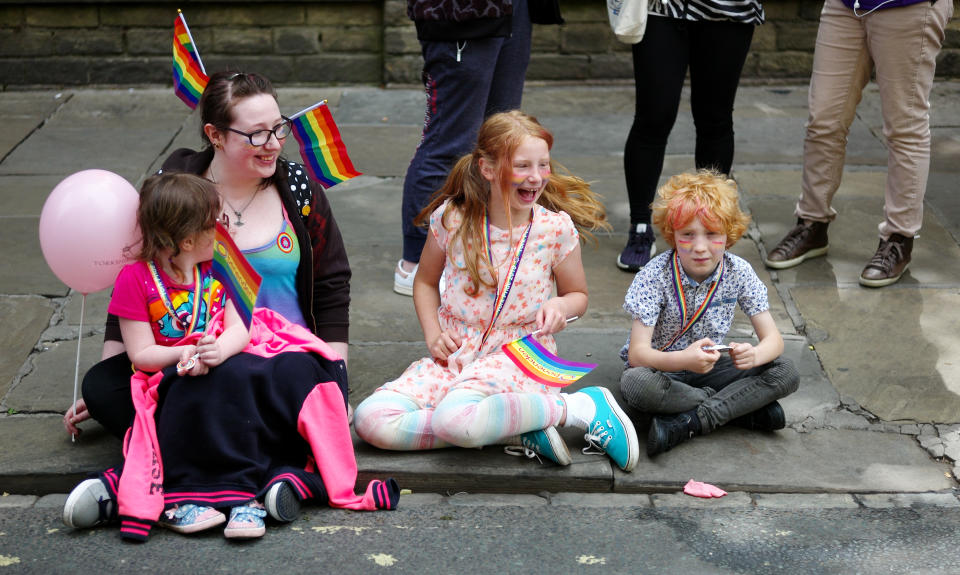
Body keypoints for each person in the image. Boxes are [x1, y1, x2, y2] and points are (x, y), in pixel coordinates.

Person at [62, 172, 397, 541]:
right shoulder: (136, 279)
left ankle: (226, 492)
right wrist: (187, 352)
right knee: (189, 390)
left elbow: (241, 326)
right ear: (188, 240)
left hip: (227, 357)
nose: (226, 228)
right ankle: (227, 494)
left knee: (270, 374)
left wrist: (219, 349)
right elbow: (141, 354)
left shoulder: (222, 262)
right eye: (216, 223)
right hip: (170, 369)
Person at [64, 70, 352, 439]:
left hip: (280, 356)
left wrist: (336, 382)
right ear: (215, 135)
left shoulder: (299, 189)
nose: (275, 144)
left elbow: (331, 288)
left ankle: (196, 433)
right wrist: (121, 372)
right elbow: (138, 279)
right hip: (192, 350)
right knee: (103, 388)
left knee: (247, 390)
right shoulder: (177, 183)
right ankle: (238, 432)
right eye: (256, 134)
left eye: (280, 127)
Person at [357, 111, 640, 472]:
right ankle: (513, 427)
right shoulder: (453, 219)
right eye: (523, 166)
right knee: (371, 420)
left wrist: (560, 305)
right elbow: (425, 282)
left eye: (543, 165)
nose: (536, 177)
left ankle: (580, 408)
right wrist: (432, 333)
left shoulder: (555, 229)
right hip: (459, 353)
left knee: (453, 419)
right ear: (487, 169)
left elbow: (578, 296)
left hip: (519, 357)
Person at [763, 0, 952, 287]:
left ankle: (898, 240)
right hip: (845, 5)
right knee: (824, 121)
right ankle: (812, 224)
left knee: (904, 128)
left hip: (909, 7)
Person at [618, 171, 799, 456]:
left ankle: (692, 421)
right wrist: (683, 360)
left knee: (785, 371)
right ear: (672, 235)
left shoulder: (738, 271)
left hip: (711, 368)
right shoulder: (654, 275)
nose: (700, 247)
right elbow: (637, 355)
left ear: (728, 234)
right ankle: (740, 409)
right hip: (663, 370)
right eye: (688, 234)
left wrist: (755, 355)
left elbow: (774, 341)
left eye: (712, 234)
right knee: (635, 384)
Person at [395, 0, 563, 295]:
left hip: (514, 9)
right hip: (462, 10)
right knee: (450, 142)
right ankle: (417, 263)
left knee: (502, 137)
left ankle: (477, 249)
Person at [616, 0, 762, 273]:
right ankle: (640, 227)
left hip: (728, 11)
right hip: (661, 8)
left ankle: (710, 226)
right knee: (653, 117)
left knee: (715, 119)